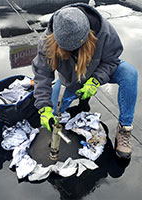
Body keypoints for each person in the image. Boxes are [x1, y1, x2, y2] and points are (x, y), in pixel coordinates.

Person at [32, 3, 138, 159]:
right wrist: (43, 107)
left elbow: (111, 60)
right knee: (51, 117)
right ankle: (74, 94)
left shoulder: (105, 32)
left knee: (129, 74)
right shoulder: (47, 41)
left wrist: (95, 80)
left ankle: (125, 128)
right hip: (71, 78)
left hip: (98, 68)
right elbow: (42, 74)